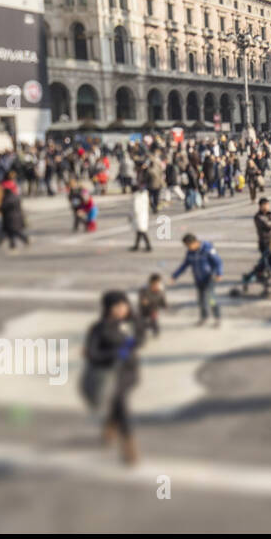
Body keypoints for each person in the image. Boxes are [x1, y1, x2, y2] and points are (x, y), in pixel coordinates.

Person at [81, 290, 142, 465]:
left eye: (125, 305)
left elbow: (137, 341)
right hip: (111, 375)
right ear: (108, 307)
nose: (123, 308)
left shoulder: (127, 324)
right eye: (119, 305)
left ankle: (110, 425)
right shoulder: (98, 329)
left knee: (118, 404)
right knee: (121, 406)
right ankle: (129, 446)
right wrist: (114, 354)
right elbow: (92, 354)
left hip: (129, 373)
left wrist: (136, 324)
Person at [171, 232, 224, 327]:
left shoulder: (207, 249)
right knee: (201, 300)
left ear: (195, 242)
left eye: (189, 245)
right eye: (187, 246)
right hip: (198, 279)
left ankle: (217, 318)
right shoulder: (190, 252)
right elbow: (185, 265)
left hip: (209, 278)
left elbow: (218, 262)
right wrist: (175, 276)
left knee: (211, 298)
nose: (188, 248)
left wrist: (219, 273)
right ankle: (204, 317)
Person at [137, 273, 167, 337]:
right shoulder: (143, 291)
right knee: (141, 324)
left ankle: (155, 332)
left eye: (159, 283)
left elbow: (163, 303)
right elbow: (143, 302)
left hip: (153, 311)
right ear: (151, 283)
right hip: (143, 311)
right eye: (155, 284)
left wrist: (165, 306)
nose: (157, 285)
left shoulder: (161, 292)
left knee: (154, 321)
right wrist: (145, 301)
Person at [128, 184, 151, 252]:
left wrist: (131, 216)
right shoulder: (144, 195)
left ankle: (148, 245)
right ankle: (137, 245)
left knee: (142, 231)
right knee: (140, 231)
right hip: (144, 214)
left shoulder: (136, 197)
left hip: (138, 216)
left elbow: (135, 208)